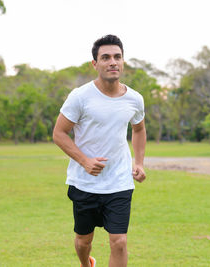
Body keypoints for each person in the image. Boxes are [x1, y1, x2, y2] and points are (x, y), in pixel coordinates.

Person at [53, 34, 147, 267]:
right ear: (94, 64)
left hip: (119, 181)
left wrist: (139, 163)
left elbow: (139, 129)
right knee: (83, 241)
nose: (112, 62)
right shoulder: (80, 97)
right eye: (105, 57)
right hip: (84, 182)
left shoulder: (134, 99)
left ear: (123, 62)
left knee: (119, 241)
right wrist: (84, 161)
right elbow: (59, 134)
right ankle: (86, 264)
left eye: (117, 57)